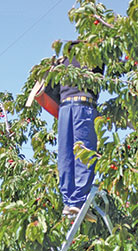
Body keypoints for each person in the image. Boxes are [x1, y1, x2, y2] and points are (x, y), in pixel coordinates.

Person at [57, 45, 102, 220]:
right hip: (83, 105)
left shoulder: (62, 64)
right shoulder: (95, 54)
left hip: (64, 108)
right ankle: (78, 201)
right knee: (85, 153)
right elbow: (118, 67)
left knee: (66, 155)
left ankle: (69, 202)